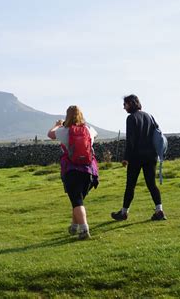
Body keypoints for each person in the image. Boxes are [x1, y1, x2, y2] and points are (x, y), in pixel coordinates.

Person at [111, 94, 166, 221]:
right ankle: (159, 211)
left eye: (125, 104)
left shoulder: (131, 118)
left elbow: (131, 140)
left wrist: (126, 157)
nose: (124, 107)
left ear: (131, 103)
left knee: (130, 185)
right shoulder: (149, 116)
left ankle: (124, 213)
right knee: (151, 184)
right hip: (151, 155)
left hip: (136, 156)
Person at [48, 106, 99, 240]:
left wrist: (57, 125)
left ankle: (84, 230)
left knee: (77, 202)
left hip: (72, 170)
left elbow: (50, 134)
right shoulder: (88, 129)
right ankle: (74, 227)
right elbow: (96, 134)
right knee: (78, 200)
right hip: (88, 171)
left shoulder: (64, 131)